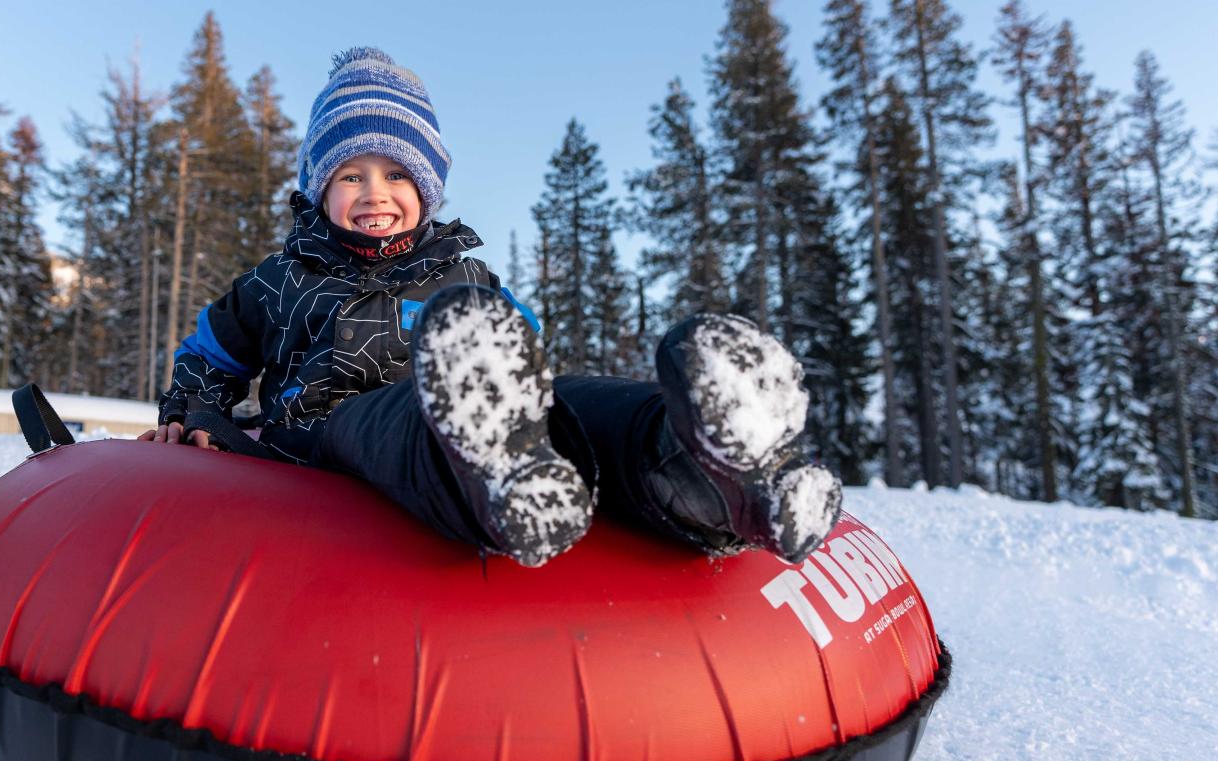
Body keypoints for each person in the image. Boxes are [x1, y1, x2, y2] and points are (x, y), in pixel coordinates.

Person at [141, 47, 842, 567]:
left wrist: (533, 392)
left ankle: (711, 473)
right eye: (350, 175)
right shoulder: (279, 280)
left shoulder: (465, 273)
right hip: (331, 431)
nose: (374, 193)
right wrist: (187, 416)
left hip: (488, 410)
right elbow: (211, 355)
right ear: (321, 190)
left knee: (576, 403)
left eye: (396, 174)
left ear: (428, 185)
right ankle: (505, 486)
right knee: (395, 420)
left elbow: (525, 354)